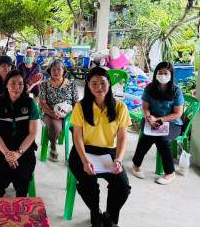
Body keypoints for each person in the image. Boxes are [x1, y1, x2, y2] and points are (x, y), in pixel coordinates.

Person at [68, 67, 131, 227]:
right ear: (88, 85)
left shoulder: (120, 107)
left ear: (109, 84)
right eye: (94, 83)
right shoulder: (81, 107)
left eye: (102, 83)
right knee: (88, 183)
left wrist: (119, 159)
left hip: (108, 153)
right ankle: (96, 214)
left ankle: (109, 215)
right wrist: (84, 160)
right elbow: (77, 137)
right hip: (82, 152)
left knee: (122, 185)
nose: (99, 87)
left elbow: (123, 137)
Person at [0, 70, 38, 197]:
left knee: (23, 178)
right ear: (6, 85)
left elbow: (32, 133)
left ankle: (21, 206)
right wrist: (7, 154)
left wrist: (18, 153)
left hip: (23, 147)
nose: (17, 87)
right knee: (0, 177)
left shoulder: (30, 103)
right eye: (13, 83)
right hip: (1, 146)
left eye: (20, 84)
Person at [131, 61, 184, 185]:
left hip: (173, 122)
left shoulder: (176, 91)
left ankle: (170, 172)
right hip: (150, 119)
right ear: (156, 74)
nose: (163, 75)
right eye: (160, 73)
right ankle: (136, 165)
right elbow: (145, 107)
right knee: (146, 137)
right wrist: (149, 117)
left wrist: (160, 120)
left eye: (166, 73)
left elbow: (177, 113)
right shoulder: (150, 88)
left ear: (171, 75)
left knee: (162, 139)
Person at [39, 59, 79, 162]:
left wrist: (73, 112)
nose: (56, 72)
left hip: (69, 114)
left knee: (79, 129)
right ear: (50, 71)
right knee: (56, 127)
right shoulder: (45, 85)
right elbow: (42, 103)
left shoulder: (71, 85)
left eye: (59, 69)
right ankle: (53, 146)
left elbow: (76, 102)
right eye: (53, 70)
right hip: (51, 114)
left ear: (64, 71)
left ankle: (77, 152)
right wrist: (52, 113)